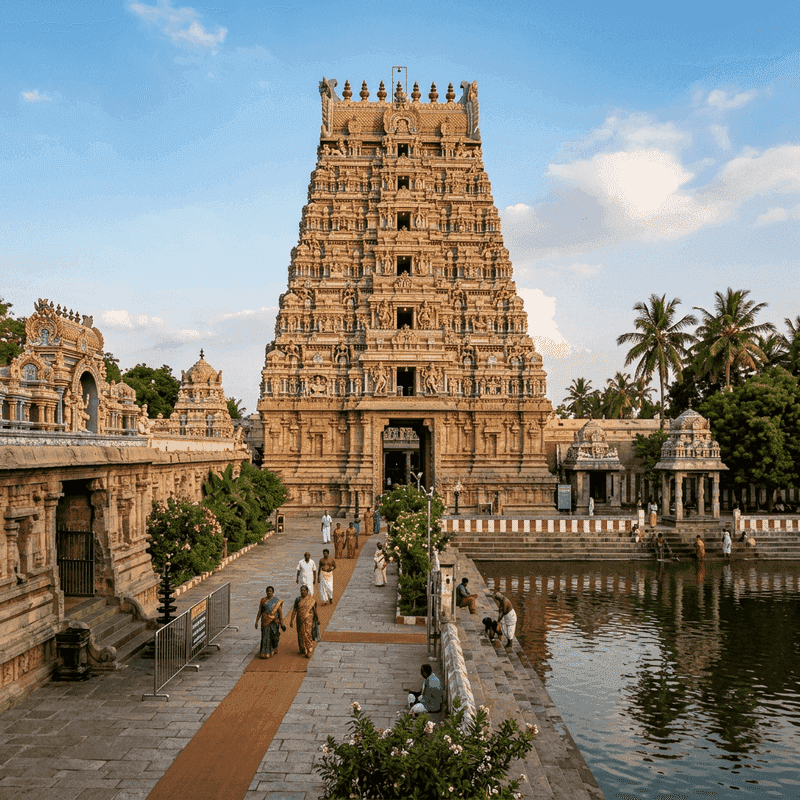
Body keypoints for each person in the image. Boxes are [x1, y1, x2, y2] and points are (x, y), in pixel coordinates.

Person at [254, 586, 284, 659]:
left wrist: (282, 623)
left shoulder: (277, 601)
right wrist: (257, 621)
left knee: (273, 636)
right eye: (268, 591)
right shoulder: (263, 600)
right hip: (265, 621)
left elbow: (280, 613)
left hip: (274, 622)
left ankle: (273, 649)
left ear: (273, 592)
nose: (269, 592)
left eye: (270, 591)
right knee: (265, 637)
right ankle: (265, 652)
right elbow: (260, 611)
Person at [289, 584, 319, 658]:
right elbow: (295, 610)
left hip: (308, 620)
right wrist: (291, 620)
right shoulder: (298, 600)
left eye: (304, 590)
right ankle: (302, 649)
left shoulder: (311, 600)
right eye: (301, 590)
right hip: (300, 619)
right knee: (301, 634)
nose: (302, 592)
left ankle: (309, 649)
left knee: (308, 633)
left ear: (307, 591)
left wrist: (317, 619)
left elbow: (315, 610)